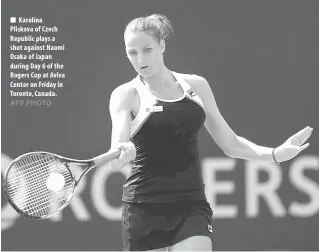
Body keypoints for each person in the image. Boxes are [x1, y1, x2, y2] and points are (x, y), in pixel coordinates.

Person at [108, 14, 313, 251]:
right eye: (132, 52)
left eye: (147, 49)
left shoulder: (196, 86)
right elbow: (117, 151)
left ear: (162, 46)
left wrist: (275, 153)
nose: (140, 59)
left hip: (191, 204)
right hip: (143, 207)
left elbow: (230, 143)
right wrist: (122, 153)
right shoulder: (126, 94)